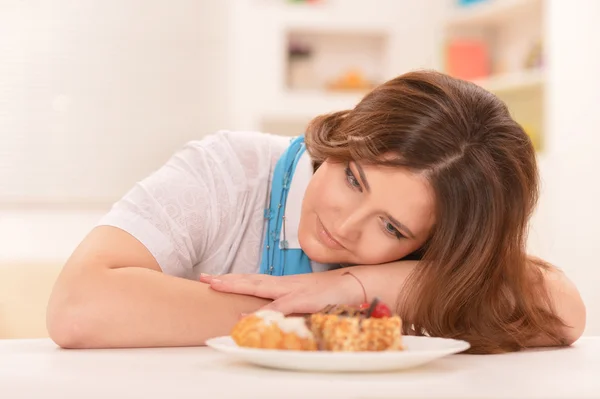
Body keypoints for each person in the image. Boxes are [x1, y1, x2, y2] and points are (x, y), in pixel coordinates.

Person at [46, 70, 585, 354]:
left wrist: (357, 287)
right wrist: (303, 317)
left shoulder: (440, 239)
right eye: (354, 179)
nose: (344, 225)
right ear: (347, 135)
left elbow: (563, 310)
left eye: (392, 227)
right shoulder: (228, 170)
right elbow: (78, 307)